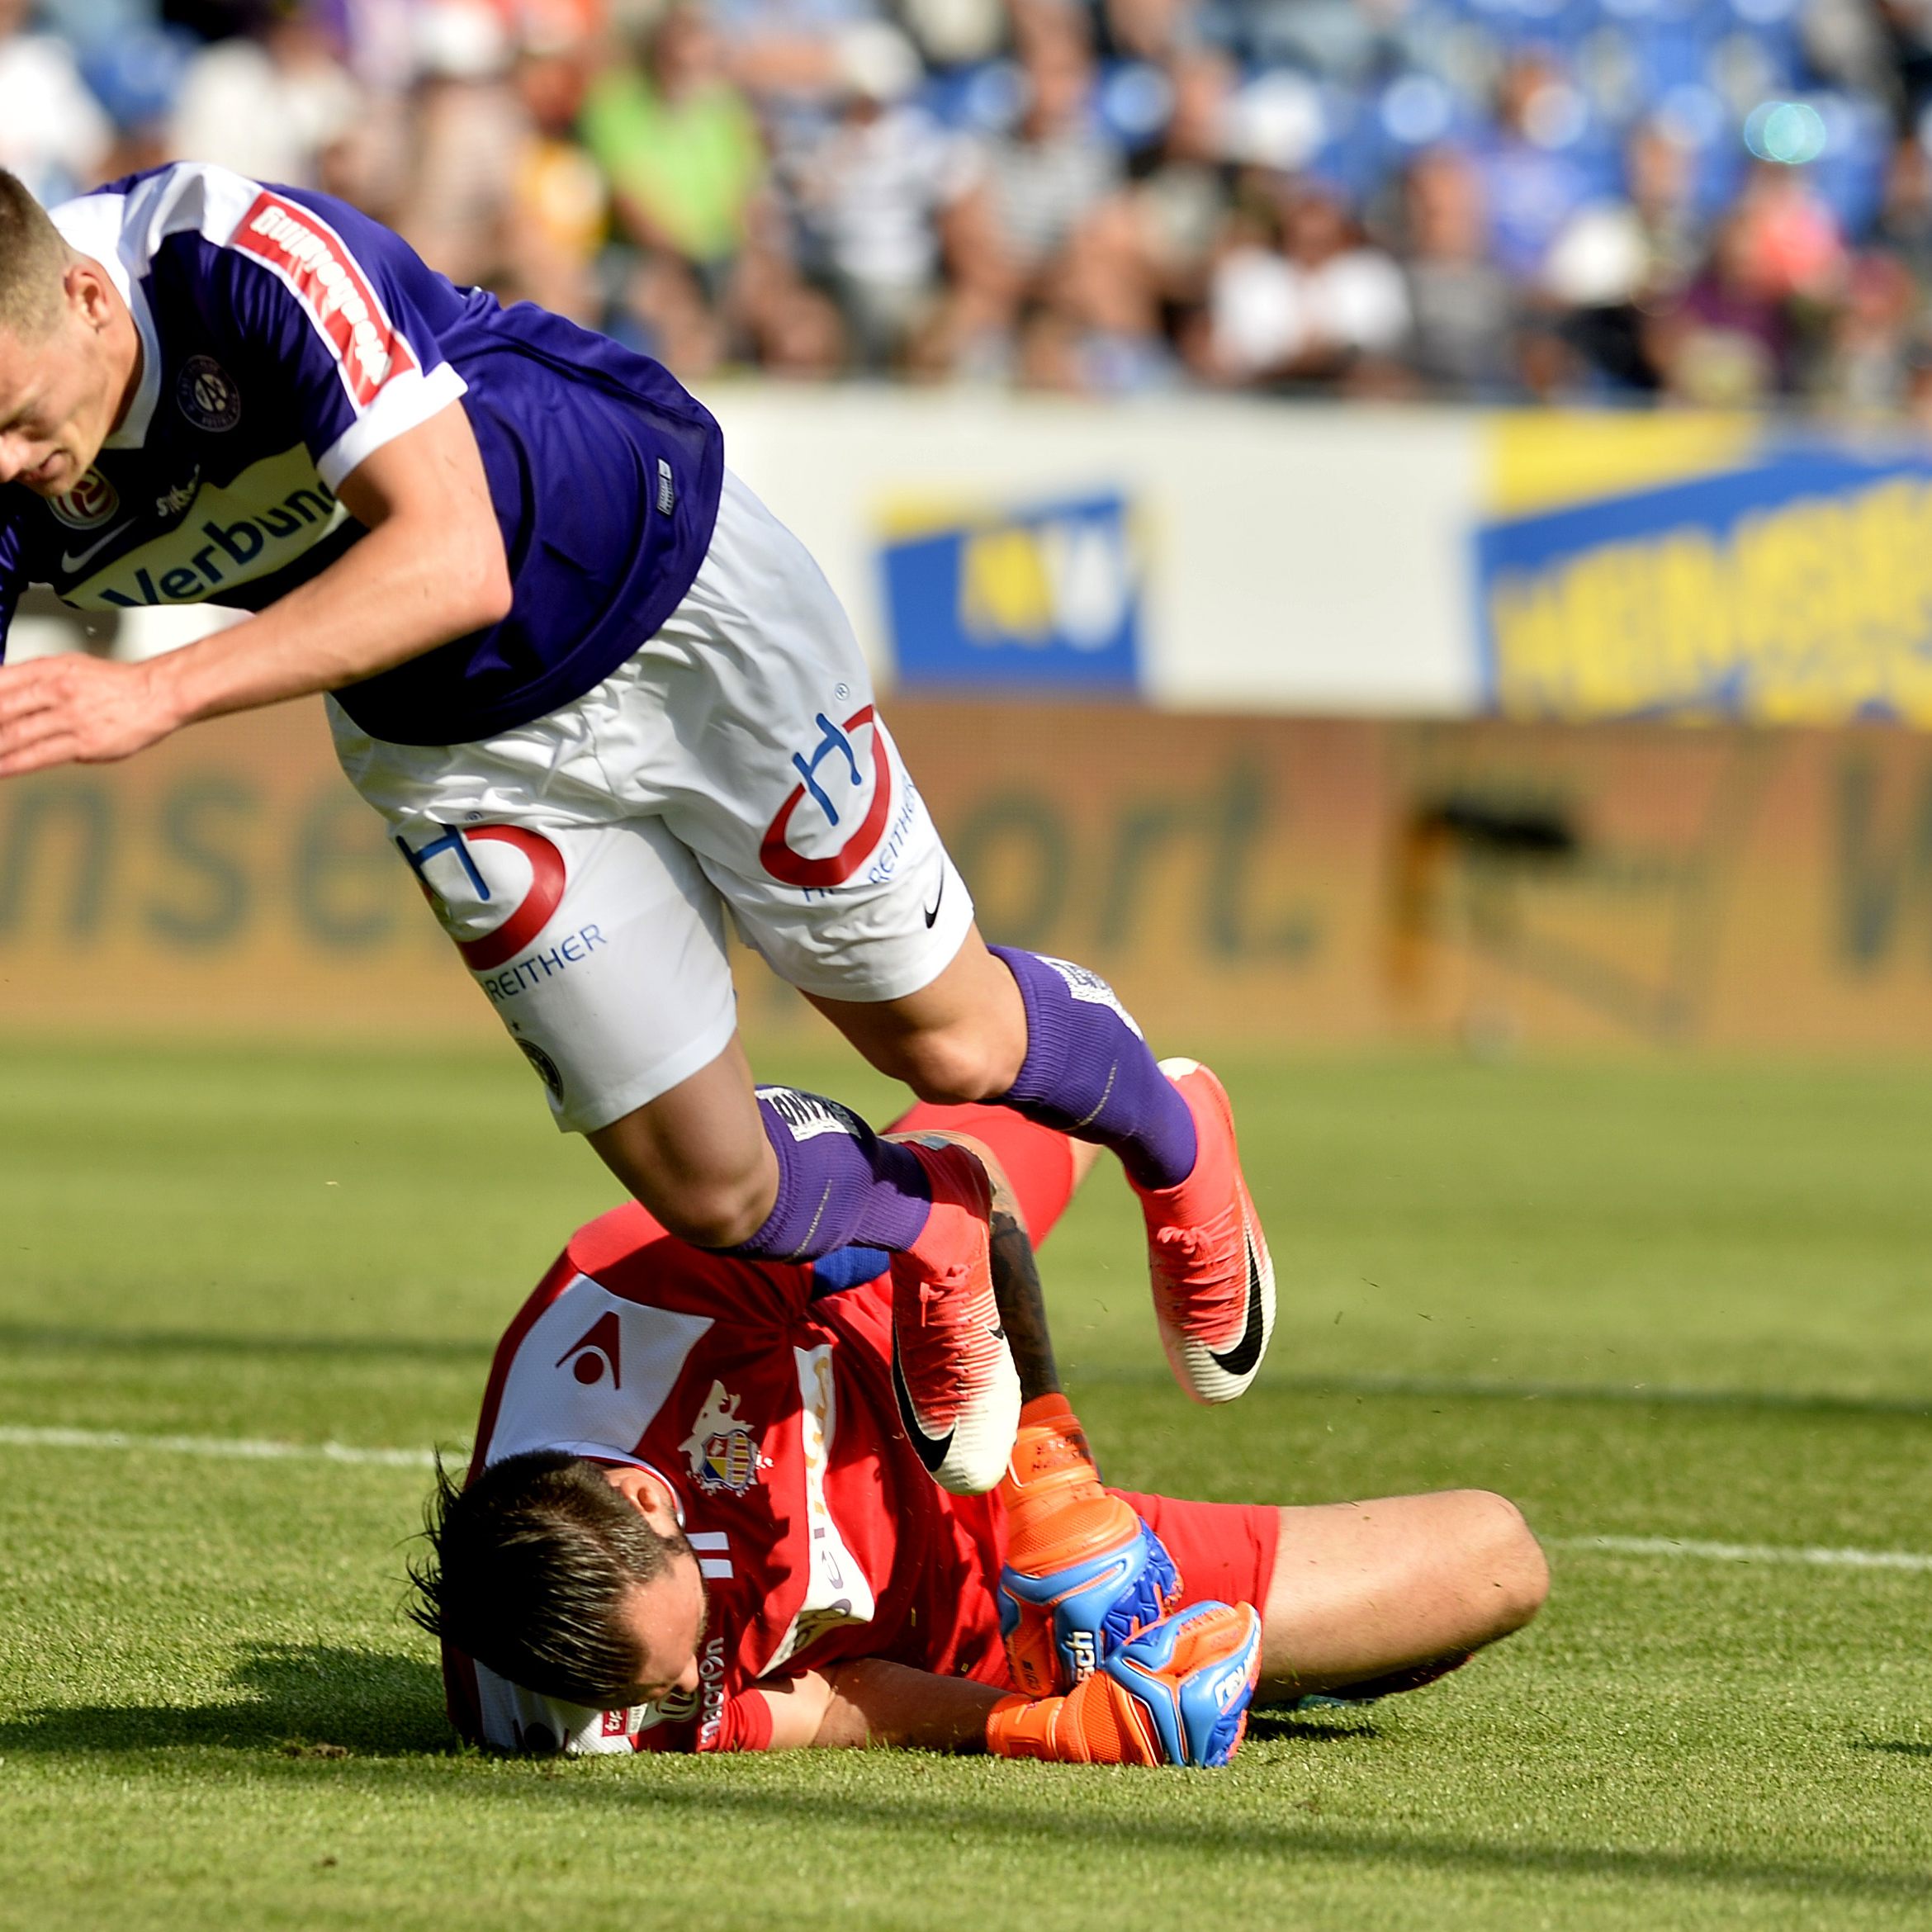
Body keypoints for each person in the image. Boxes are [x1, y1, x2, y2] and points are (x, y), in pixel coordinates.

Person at [0, 158, 1274, 1499]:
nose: (15, 468)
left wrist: (151, 692)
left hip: (671, 600)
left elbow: (452, 559)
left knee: (942, 1037)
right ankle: (937, 1228)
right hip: (454, 750)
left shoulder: (234, 259)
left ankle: (1172, 1131)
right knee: (716, 1190)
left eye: (23, 421)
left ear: (90, 298)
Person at [410, 1100, 1549, 1762]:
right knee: (1494, 1564)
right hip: (958, 1612)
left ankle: (1181, 1143)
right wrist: (1047, 1720)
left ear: (649, 1495)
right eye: (673, 1690)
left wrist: (1050, 1469)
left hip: (888, 1339)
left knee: (1036, 1086)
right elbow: (837, 1702)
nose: (690, 1686)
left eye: (689, 1653)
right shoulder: (567, 1706)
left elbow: (956, 1196)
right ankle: (1254, 1662)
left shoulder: (633, 1302)